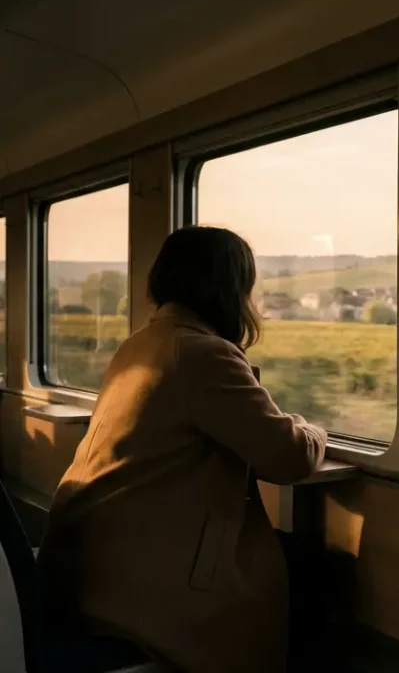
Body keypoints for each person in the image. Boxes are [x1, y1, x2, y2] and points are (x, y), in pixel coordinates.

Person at [37, 226, 327, 673]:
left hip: (92, 567)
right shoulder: (201, 354)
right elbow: (290, 456)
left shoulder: (141, 344)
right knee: (315, 583)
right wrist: (312, 427)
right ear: (231, 290)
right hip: (142, 588)